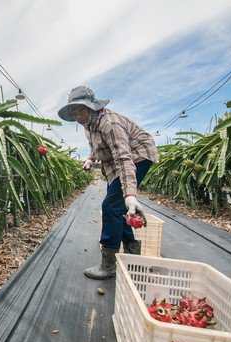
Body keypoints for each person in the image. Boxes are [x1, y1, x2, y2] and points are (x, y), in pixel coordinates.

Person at [58, 86, 158, 280]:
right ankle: (131, 253)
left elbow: (123, 158)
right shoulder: (90, 126)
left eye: (81, 109)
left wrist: (130, 195)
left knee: (111, 206)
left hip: (138, 157)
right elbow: (95, 147)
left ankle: (109, 264)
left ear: (92, 107)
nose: (77, 115)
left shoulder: (109, 124)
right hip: (116, 162)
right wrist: (90, 159)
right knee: (117, 207)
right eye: (74, 112)